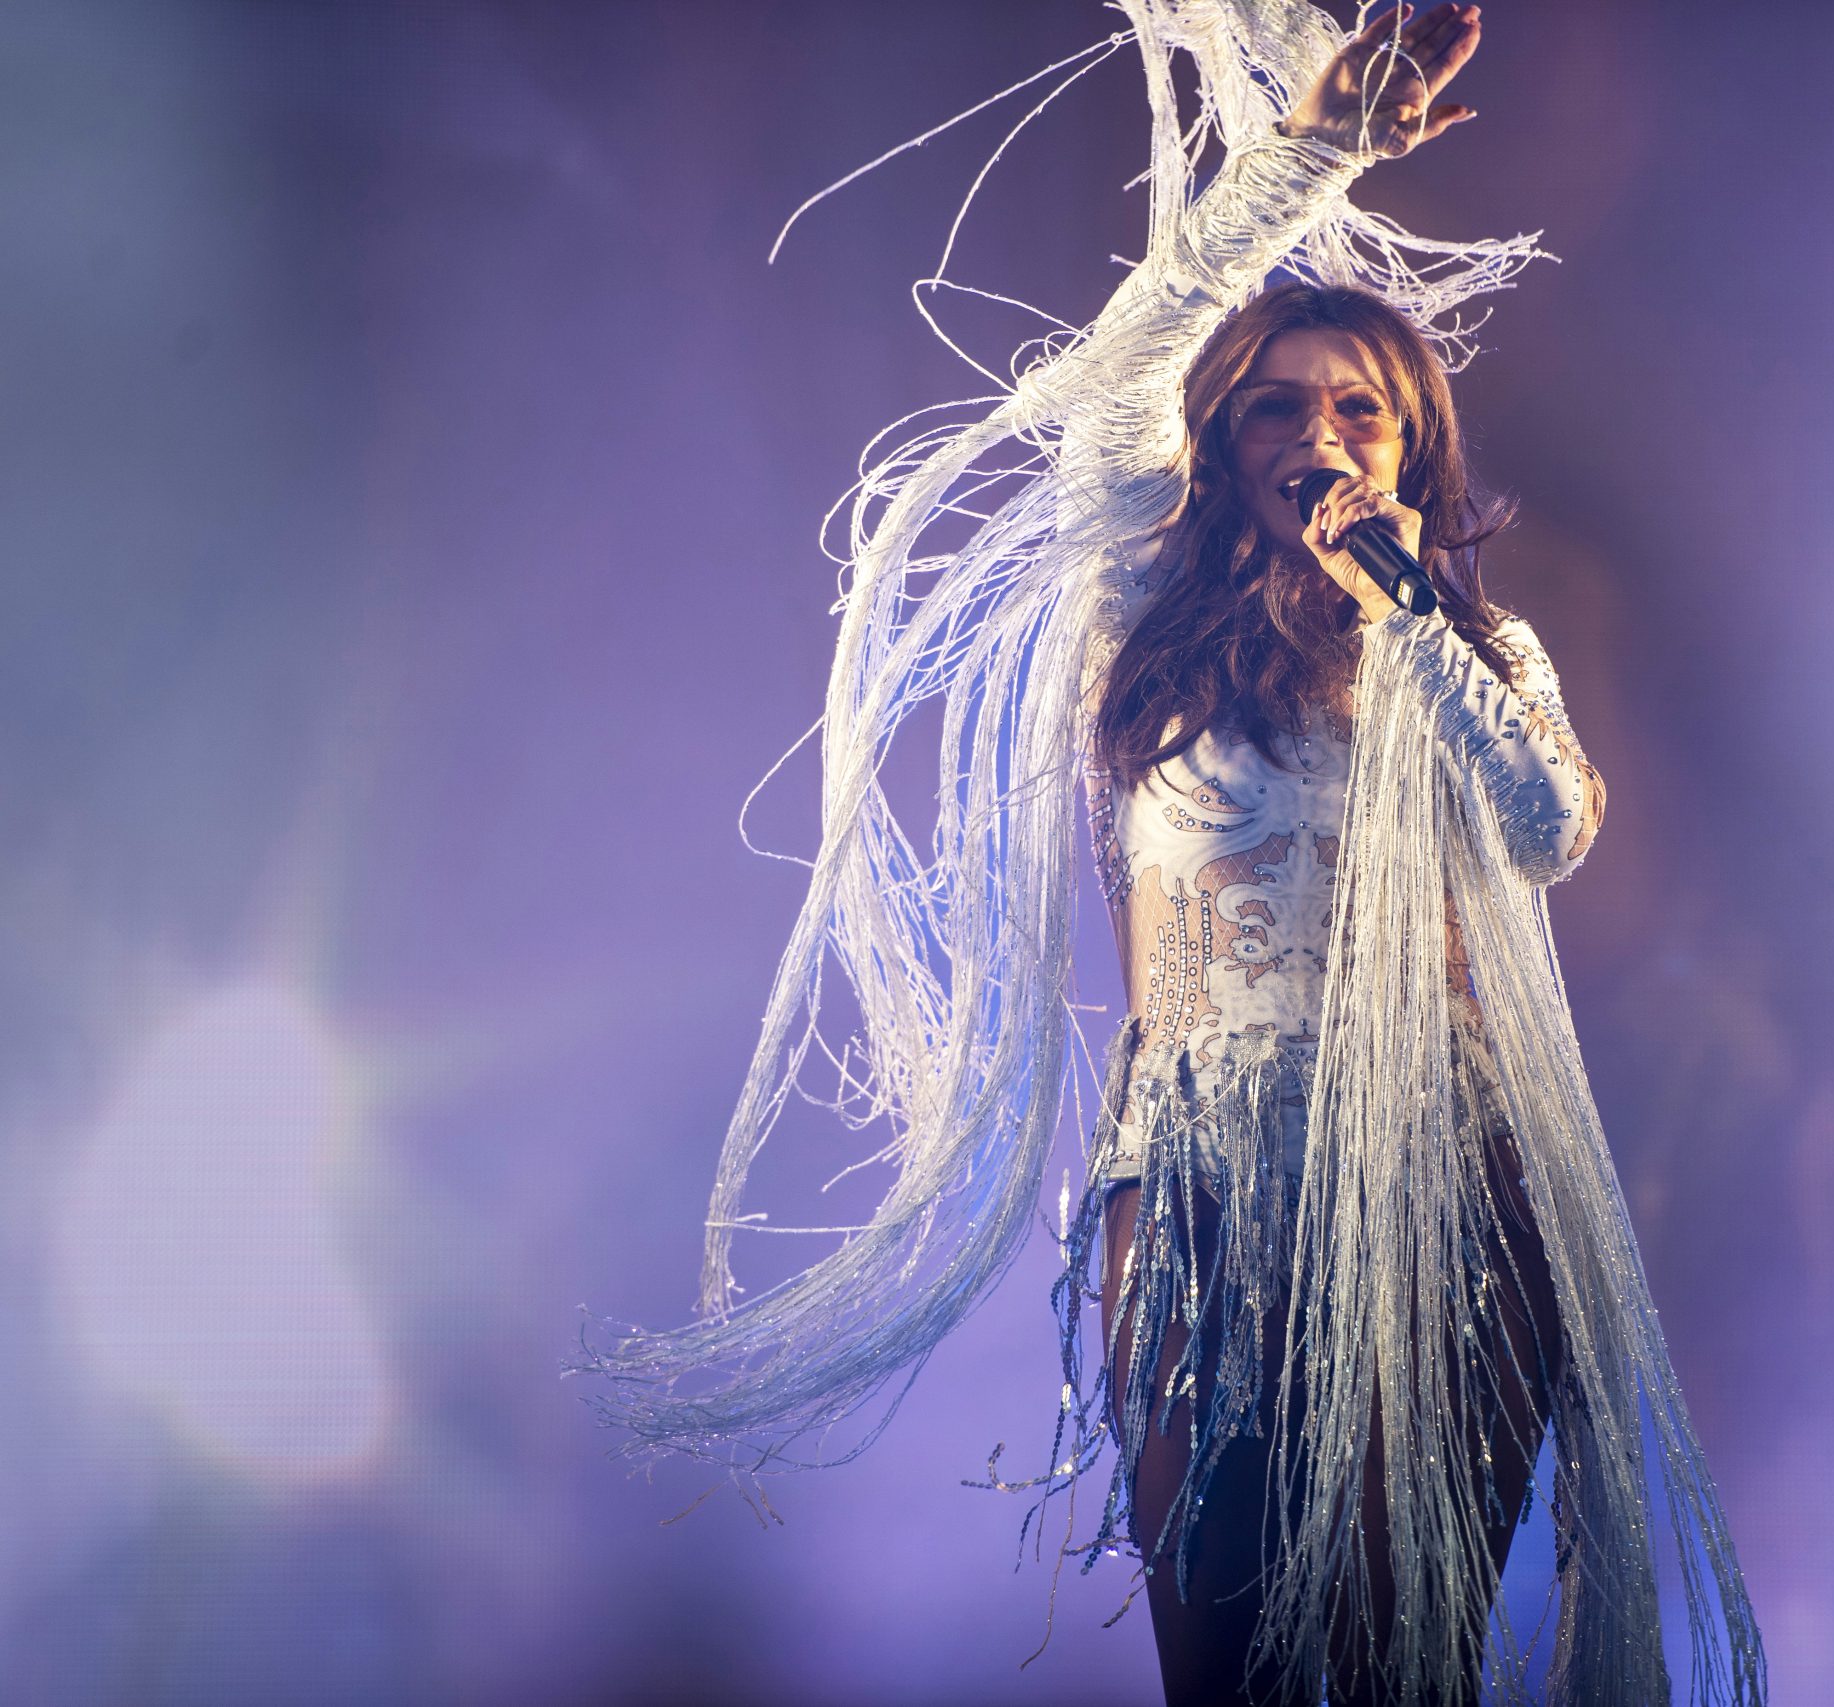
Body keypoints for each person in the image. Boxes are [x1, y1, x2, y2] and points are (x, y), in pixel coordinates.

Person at [579, 7, 1763, 1704]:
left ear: (1411, 450)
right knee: (1224, 1648)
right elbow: (1125, 373)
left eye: (1359, 410)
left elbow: (1550, 826)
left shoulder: (1472, 647)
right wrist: (1319, 151)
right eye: (1276, 407)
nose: (1320, 434)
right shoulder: (1143, 613)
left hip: (1444, 1160)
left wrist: (1403, 609)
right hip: (1199, 1169)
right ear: (1223, 445)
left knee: (1404, 1654)